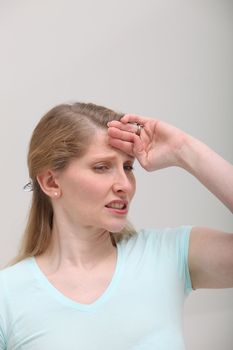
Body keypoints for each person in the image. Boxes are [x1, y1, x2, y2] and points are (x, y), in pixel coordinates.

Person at [0, 102, 232, 350]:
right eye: (102, 167)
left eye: (128, 167)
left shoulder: (169, 255)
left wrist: (183, 149)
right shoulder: (8, 295)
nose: (125, 185)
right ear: (51, 182)